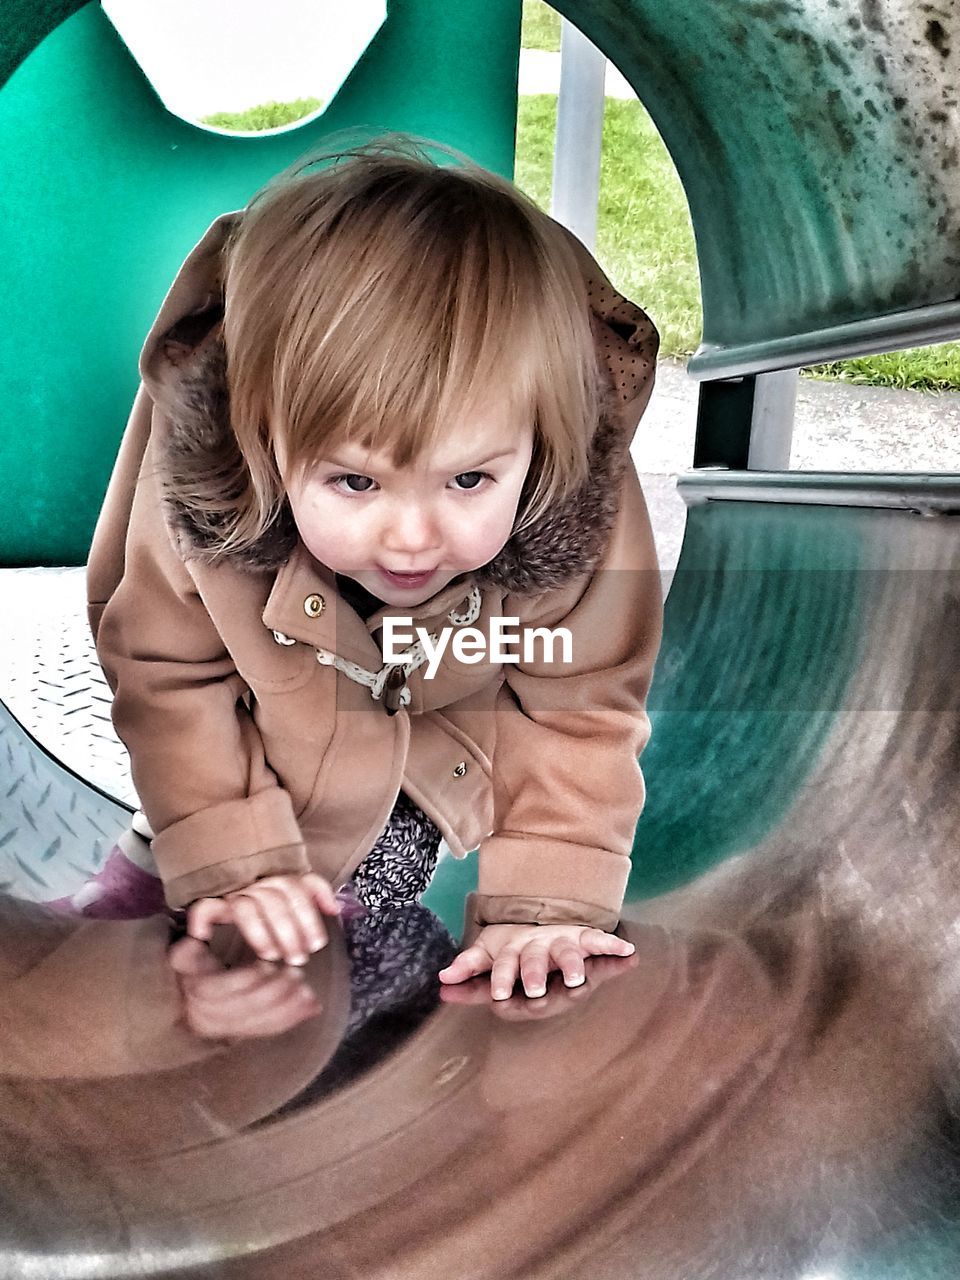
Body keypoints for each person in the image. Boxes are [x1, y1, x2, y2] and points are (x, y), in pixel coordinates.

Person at [60, 134, 663, 1000]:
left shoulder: (570, 505)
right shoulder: (209, 507)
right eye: (354, 479)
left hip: (427, 767)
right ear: (264, 444)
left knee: (358, 993)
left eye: (468, 478)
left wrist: (545, 903)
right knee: (148, 943)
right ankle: (136, 897)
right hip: (239, 752)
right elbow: (165, 677)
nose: (412, 538)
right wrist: (233, 863)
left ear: (536, 446)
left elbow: (581, 706)